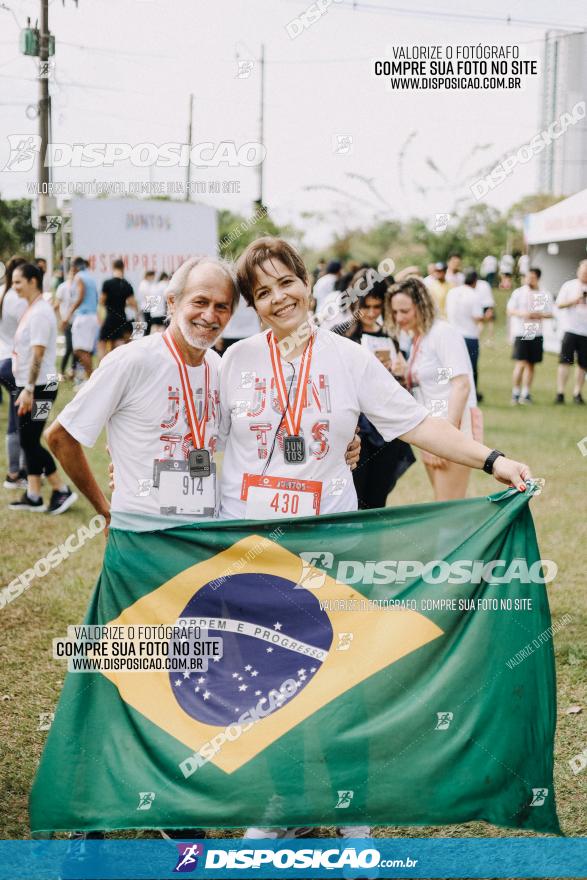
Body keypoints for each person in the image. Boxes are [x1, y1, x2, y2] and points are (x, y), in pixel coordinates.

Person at [225, 237, 530, 840]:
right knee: (267, 683)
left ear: (306, 282)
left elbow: (418, 424)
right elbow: (193, 439)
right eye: (262, 292)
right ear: (253, 306)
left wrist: (491, 459)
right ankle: (284, 806)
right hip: (254, 550)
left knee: (342, 682)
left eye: (285, 282)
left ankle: (350, 810)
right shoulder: (233, 362)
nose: (277, 298)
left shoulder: (351, 359)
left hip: (334, 543)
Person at [386, 277, 482, 501]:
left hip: (452, 427)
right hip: (430, 430)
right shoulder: (418, 337)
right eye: (395, 312)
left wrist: (447, 438)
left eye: (405, 311)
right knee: (443, 504)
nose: (399, 318)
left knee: (449, 509)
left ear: (422, 305)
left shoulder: (442, 333)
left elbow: (462, 384)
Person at [332, 271, 415, 509]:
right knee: (352, 497)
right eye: (365, 306)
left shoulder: (390, 335)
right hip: (355, 429)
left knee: (378, 498)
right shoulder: (339, 334)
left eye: (377, 306)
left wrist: (400, 370)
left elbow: (401, 386)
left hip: (385, 429)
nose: (370, 313)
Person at [9, 263, 77, 513]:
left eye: (18, 282)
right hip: (38, 386)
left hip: (39, 387)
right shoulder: (34, 309)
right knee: (29, 438)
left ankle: (61, 490)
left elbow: (38, 354)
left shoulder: (39, 313)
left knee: (29, 439)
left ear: (32, 282)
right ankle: (34, 495)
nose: (14, 286)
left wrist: (28, 388)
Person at [507, 268, 553, 405]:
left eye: (532, 277)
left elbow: (550, 313)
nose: (529, 280)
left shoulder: (544, 294)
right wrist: (523, 314)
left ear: (537, 278)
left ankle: (525, 393)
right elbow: (510, 310)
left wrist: (539, 315)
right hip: (522, 331)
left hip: (536, 331)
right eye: (527, 277)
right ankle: (515, 393)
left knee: (531, 364)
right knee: (520, 363)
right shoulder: (519, 293)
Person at [0, 256, 27, 488]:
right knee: (24, 421)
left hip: (3, 359)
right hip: (15, 362)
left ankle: (15, 472)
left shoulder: (2, 293)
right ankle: (19, 472)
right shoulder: (18, 299)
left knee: (15, 418)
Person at [446, 269, 487, 398]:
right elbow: (477, 317)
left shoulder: (452, 292)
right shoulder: (474, 295)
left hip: (452, 334)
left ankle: (447, 391)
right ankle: (471, 394)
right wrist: (486, 316)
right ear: (475, 281)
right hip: (469, 335)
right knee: (470, 368)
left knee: (450, 366)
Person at [555, 259, 587, 405]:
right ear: (578, 271)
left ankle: (577, 393)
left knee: (583, 365)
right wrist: (574, 301)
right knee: (565, 362)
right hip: (570, 329)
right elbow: (559, 304)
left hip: (585, 332)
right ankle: (560, 392)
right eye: (583, 271)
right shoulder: (569, 285)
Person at [65, 258, 99, 382]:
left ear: (75, 266)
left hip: (83, 316)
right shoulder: (90, 278)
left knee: (80, 350)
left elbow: (80, 296)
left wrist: (68, 315)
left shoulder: (79, 277)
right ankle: (89, 379)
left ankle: (92, 380)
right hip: (91, 316)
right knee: (86, 351)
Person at [98, 259, 137, 358]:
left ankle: (103, 366)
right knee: (119, 344)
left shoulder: (107, 283)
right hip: (121, 317)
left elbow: (101, 301)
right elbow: (133, 303)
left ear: (113, 267)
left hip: (110, 316)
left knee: (102, 342)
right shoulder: (127, 284)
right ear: (123, 268)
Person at [54, 267, 78, 378]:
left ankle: (72, 370)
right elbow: (56, 305)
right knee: (69, 347)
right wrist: (60, 320)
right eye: (72, 272)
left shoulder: (79, 286)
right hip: (66, 321)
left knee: (76, 347)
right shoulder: (62, 287)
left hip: (77, 321)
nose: (73, 275)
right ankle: (61, 371)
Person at [137, 269, 156, 335]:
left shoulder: (147, 283)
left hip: (147, 307)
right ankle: (144, 338)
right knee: (147, 325)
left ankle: (145, 336)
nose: (153, 278)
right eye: (153, 276)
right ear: (149, 276)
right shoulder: (144, 284)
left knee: (148, 325)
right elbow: (146, 296)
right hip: (146, 307)